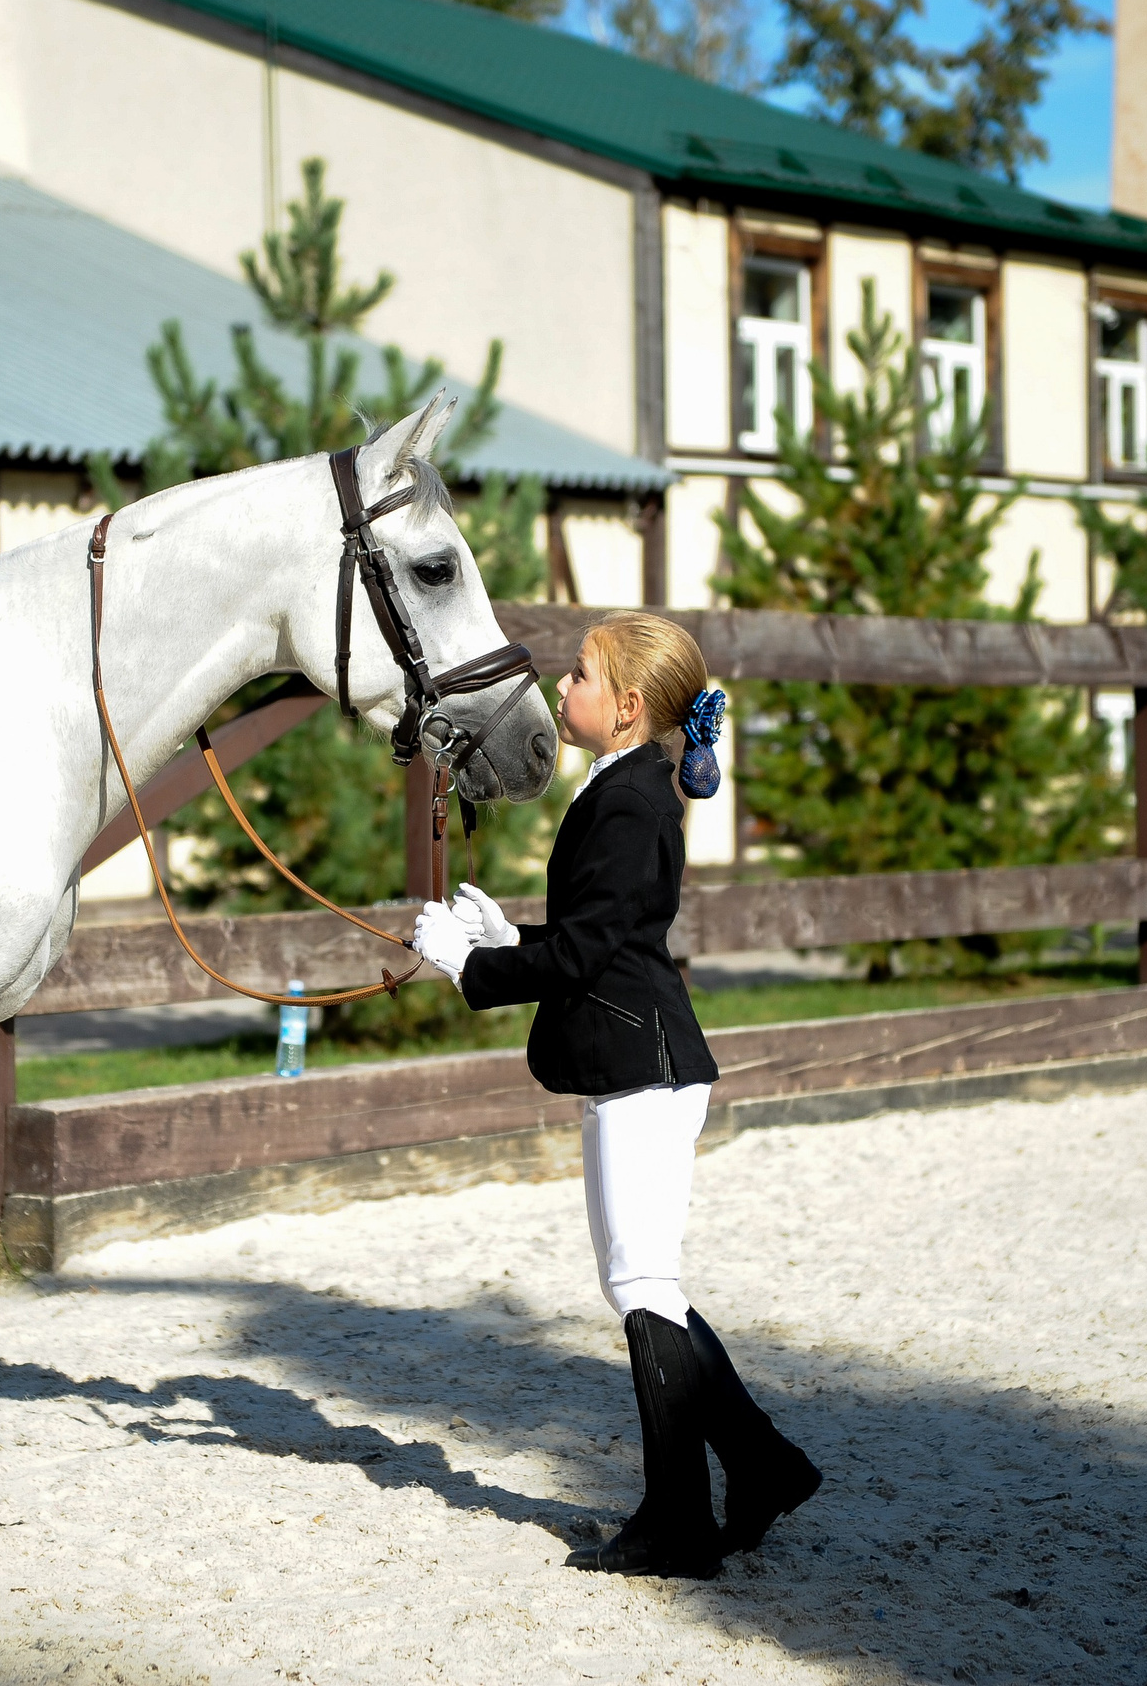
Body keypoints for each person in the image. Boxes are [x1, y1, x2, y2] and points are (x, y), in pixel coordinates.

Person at [411, 612, 820, 1580]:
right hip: (639, 1063)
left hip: (646, 1071)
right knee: (644, 1282)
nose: (561, 688)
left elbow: (588, 955)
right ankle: (762, 1467)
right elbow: (603, 935)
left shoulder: (631, 801)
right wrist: (508, 938)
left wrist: (471, 967)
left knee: (641, 1284)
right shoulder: (623, 785)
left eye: (579, 675)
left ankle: (678, 1521)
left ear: (628, 706)